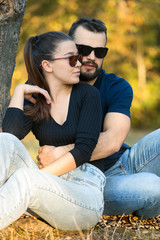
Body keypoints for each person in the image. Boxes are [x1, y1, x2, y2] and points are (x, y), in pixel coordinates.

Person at [37, 17, 160, 220]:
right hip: (87, 180)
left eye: (99, 52)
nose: (91, 57)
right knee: (153, 187)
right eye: (84, 49)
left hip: (125, 161)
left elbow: (113, 141)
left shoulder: (116, 86)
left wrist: (61, 153)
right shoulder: (48, 83)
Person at [1, 31, 106, 231]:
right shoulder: (36, 99)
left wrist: (38, 178)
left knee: (26, 178)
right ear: (47, 65)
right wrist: (19, 91)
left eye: (79, 58)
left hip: (84, 192)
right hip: (47, 187)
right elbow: (9, 137)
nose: (79, 64)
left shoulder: (88, 95)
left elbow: (84, 150)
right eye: (72, 59)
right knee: (4, 141)